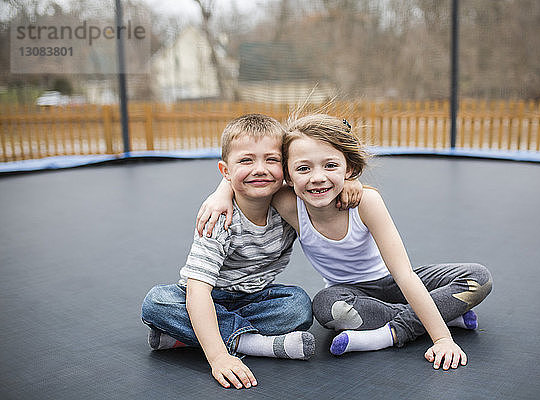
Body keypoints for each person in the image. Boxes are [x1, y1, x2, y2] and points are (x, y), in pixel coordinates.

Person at [198, 114, 493, 371]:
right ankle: (442, 314)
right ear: (287, 174)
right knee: (326, 309)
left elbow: (404, 274)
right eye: (303, 169)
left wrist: (443, 340)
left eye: (330, 166)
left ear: (349, 168)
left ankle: (388, 335)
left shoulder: (366, 202)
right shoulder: (288, 203)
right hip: (348, 294)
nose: (317, 178)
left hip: (391, 281)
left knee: (478, 278)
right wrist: (220, 192)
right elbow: (250, 176)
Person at [141, 114, 320, 390]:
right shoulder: (218, 218)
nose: (260, 169)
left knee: (298, 305)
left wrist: (352, 184)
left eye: (271, 160)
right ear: (225, 171)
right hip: (207, 296)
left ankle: (183, 337)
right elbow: (197, 291)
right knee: (157, 302)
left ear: (285, 168)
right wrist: (218, 358)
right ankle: (256, 344)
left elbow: (323, 187)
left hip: (256, 298)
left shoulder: (288, 207)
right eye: (246, 161)